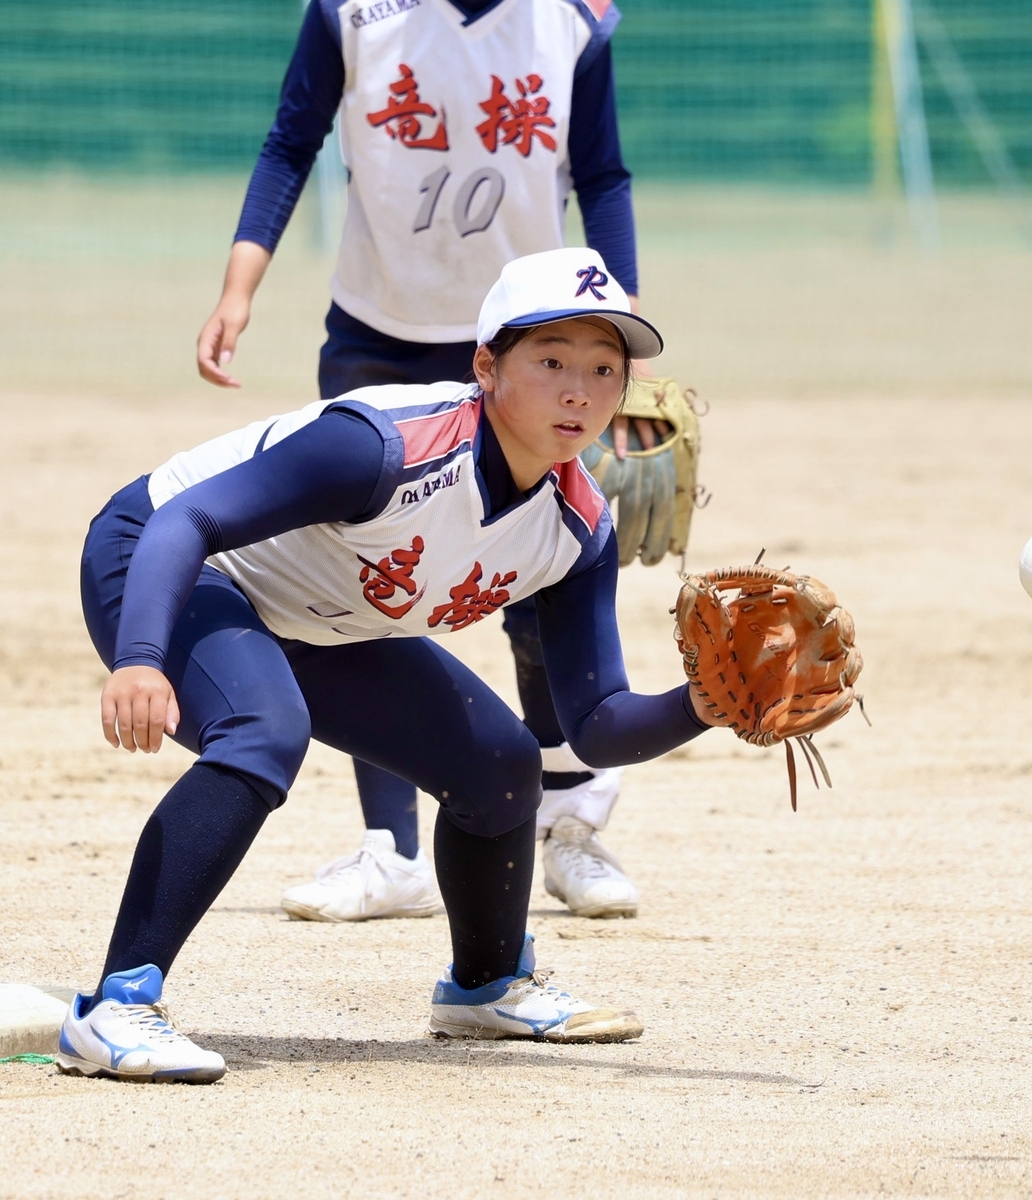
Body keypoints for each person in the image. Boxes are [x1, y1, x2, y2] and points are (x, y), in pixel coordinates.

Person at [59, 250, 716, 1083]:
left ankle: (487, 985)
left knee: (502, 763)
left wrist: (706, 704)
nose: (579, 392)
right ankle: (114, 1006)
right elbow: (186, 521)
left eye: (603, 369)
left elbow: (596, 724)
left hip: (322, 613)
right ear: (486, 366)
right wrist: (142, 659)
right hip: (169, 561)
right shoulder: (384, 446)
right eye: (550, 362)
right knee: (262, 727)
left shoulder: (576, 527)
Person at [196, 0, 656, 923]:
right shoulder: (352, 13)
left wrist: (624, 348)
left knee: (542, 589)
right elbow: (292, 142)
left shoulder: (574, 22)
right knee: (367, 584)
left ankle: (569, 822)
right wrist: (238, 289)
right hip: (380, 332)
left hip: (537, 345)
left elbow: (602, 175)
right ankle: (392, 849)